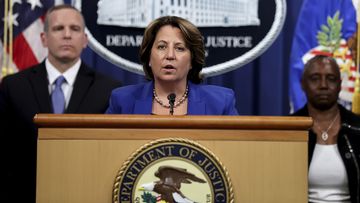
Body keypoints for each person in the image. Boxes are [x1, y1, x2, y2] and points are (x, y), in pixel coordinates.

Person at [0, 5, 121, 203]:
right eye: (58, 28)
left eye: (74, 29)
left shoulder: (108, 89)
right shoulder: (14, 86)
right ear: (43, 38)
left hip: (86, 194)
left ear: (85, 40)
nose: (67, 35)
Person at [106, 16, 238, 115]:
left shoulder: (220, 103)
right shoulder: (122, 101)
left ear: (192, 60)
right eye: (161, 47)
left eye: (179, 48)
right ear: (149, 57)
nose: (170, 55)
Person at [292, 55, 360, 203]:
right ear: (303, 84)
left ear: (340, 84)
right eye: (315, 78)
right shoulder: (289, 128)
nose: (323, 85)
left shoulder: (357, 128)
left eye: (331, 78)